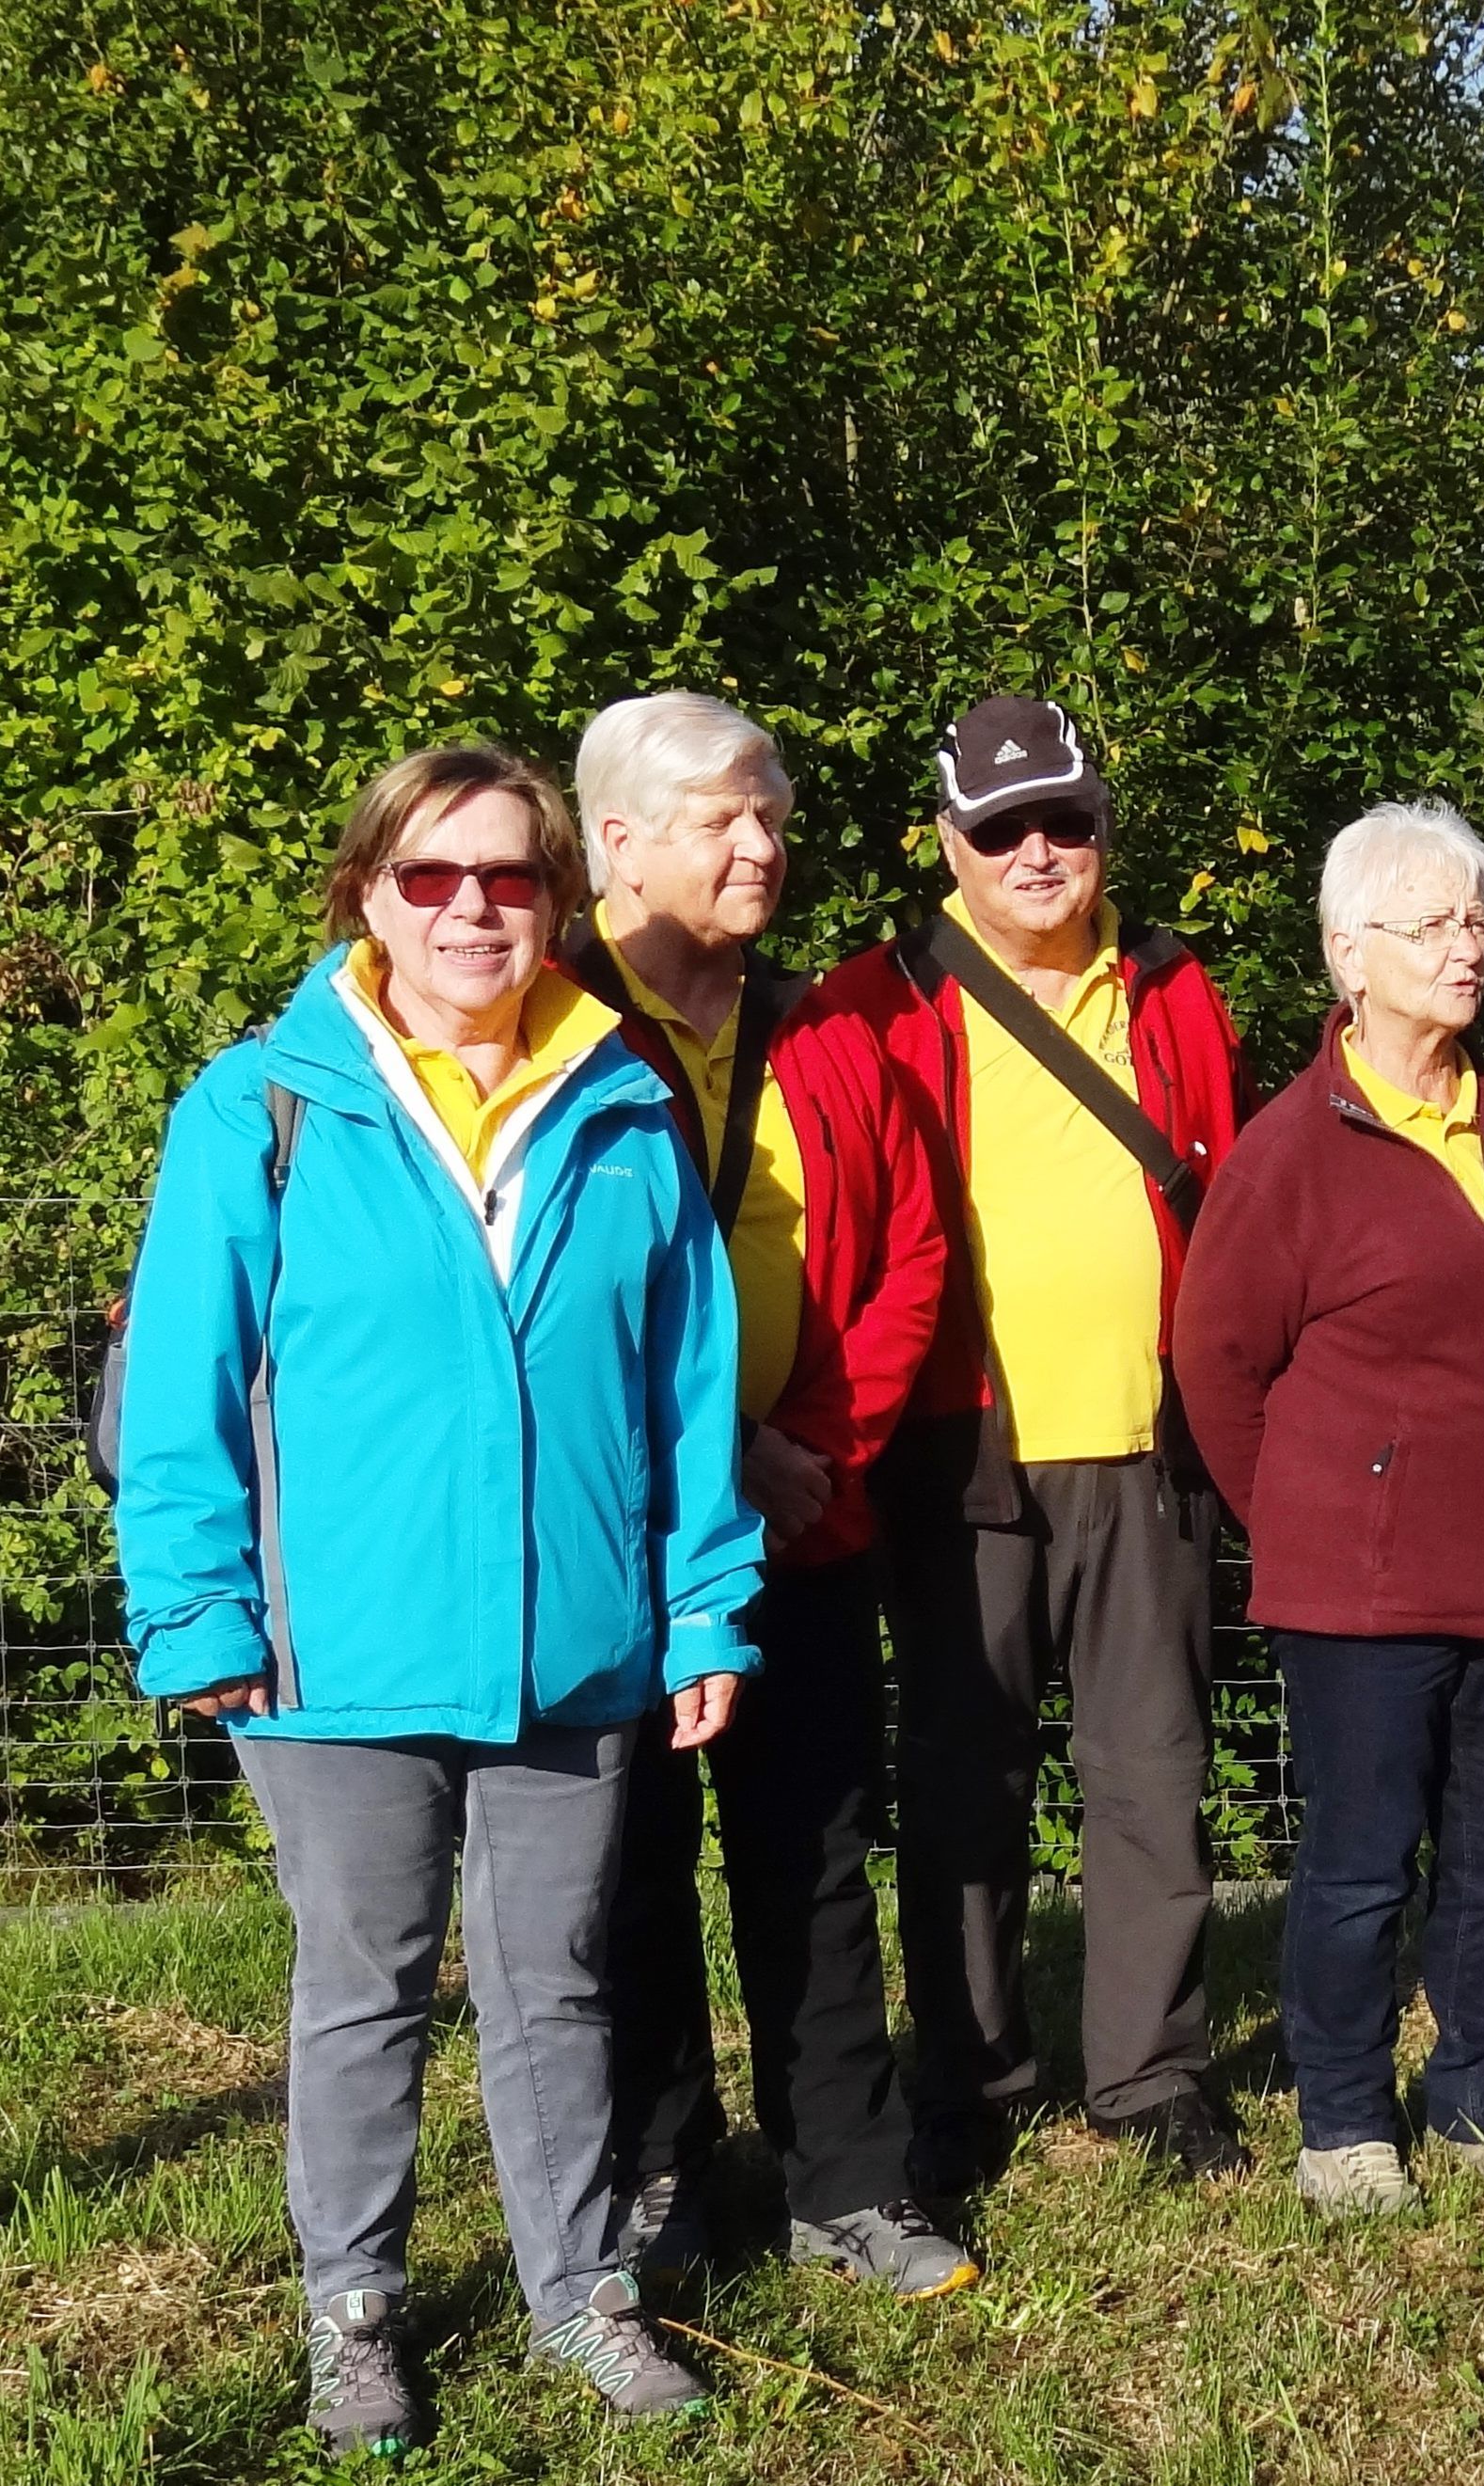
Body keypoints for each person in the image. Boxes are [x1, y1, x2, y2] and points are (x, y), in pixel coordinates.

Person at [115, 744, 763, 2452]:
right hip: (336, 1650)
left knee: (557, 1986)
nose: (472, 909)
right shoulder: (259, 1106)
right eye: (431, 877)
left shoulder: (627, 1104)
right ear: (369, 894)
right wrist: (195, 1612)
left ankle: (579, 2299)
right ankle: (356, 2313)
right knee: (362, 1987)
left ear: (560, 899)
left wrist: (707, 1604)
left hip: (576, 1645)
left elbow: (688, 1391)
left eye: (509, 877)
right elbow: (186, 1383)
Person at [819, 695, 1256, 2194]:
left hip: (1147, 1451)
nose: (1037, 852)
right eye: (1001, 828)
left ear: (1102, 826)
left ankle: (1152, 2073)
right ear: (950, 841)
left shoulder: (1174, 988)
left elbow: (1223, 1204)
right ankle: (971, 2077)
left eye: (1064, 819)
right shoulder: (875, 1000)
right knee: (962, 1786)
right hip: (963, 1452)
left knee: (1152, 1776)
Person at [564, 693, 972, 2298]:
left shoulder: (827, 1034)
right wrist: (726, 1457)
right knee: (626, 1856)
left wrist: (813, 1452)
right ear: (615, 841)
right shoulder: (540, 1028)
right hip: (613, 1533)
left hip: (803, 1524)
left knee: (809, 1845)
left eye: (773, 819)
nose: (764, 848)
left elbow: (917, 1259)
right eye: (726, 819)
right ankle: (663, 2172)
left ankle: (847, 2181)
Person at [1176, 801, 1484, 2221]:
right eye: (1433, 924)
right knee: (1354, 1866)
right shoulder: (1289, 1151)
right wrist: (1312, 1516)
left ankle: (1478, 2093)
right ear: (1350, 952)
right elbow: (1219, 1368)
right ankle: (1344, 2120)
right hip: (1356, 1588)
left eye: (1476, 921)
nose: (1468, 948)